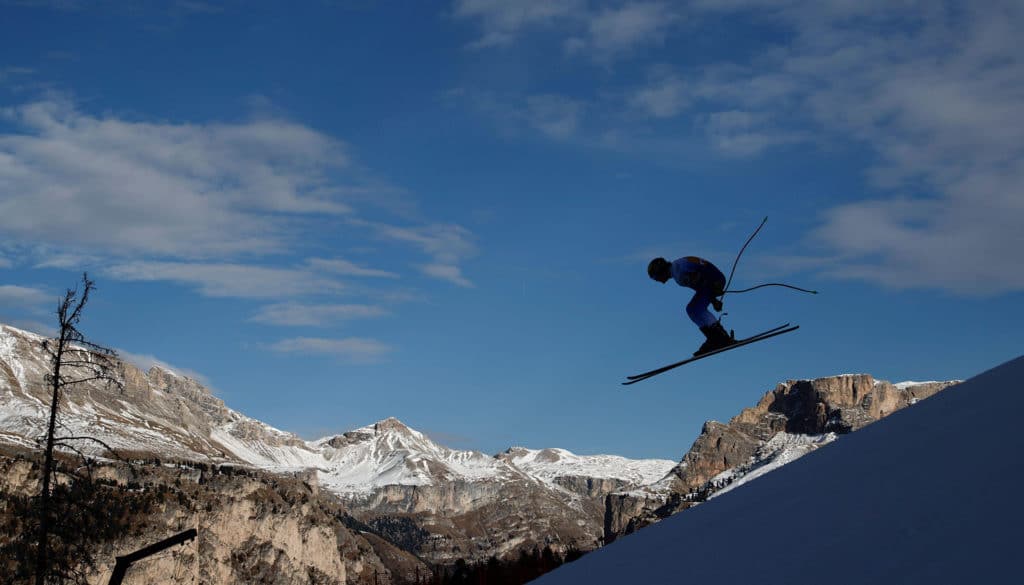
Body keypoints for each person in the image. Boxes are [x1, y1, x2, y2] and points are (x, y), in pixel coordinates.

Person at [647, 256, 736, 356]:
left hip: (713, 280)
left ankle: (721, 338)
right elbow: (700, 284)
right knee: (692, 309)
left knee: (696, 309)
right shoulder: (677, 267)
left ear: (660, 271)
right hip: (713, 280)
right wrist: (713, 300)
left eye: (655, 278)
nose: (658, 281)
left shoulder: (679, 273)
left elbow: (701, 275)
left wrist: (715, 287)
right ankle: (714, 338)